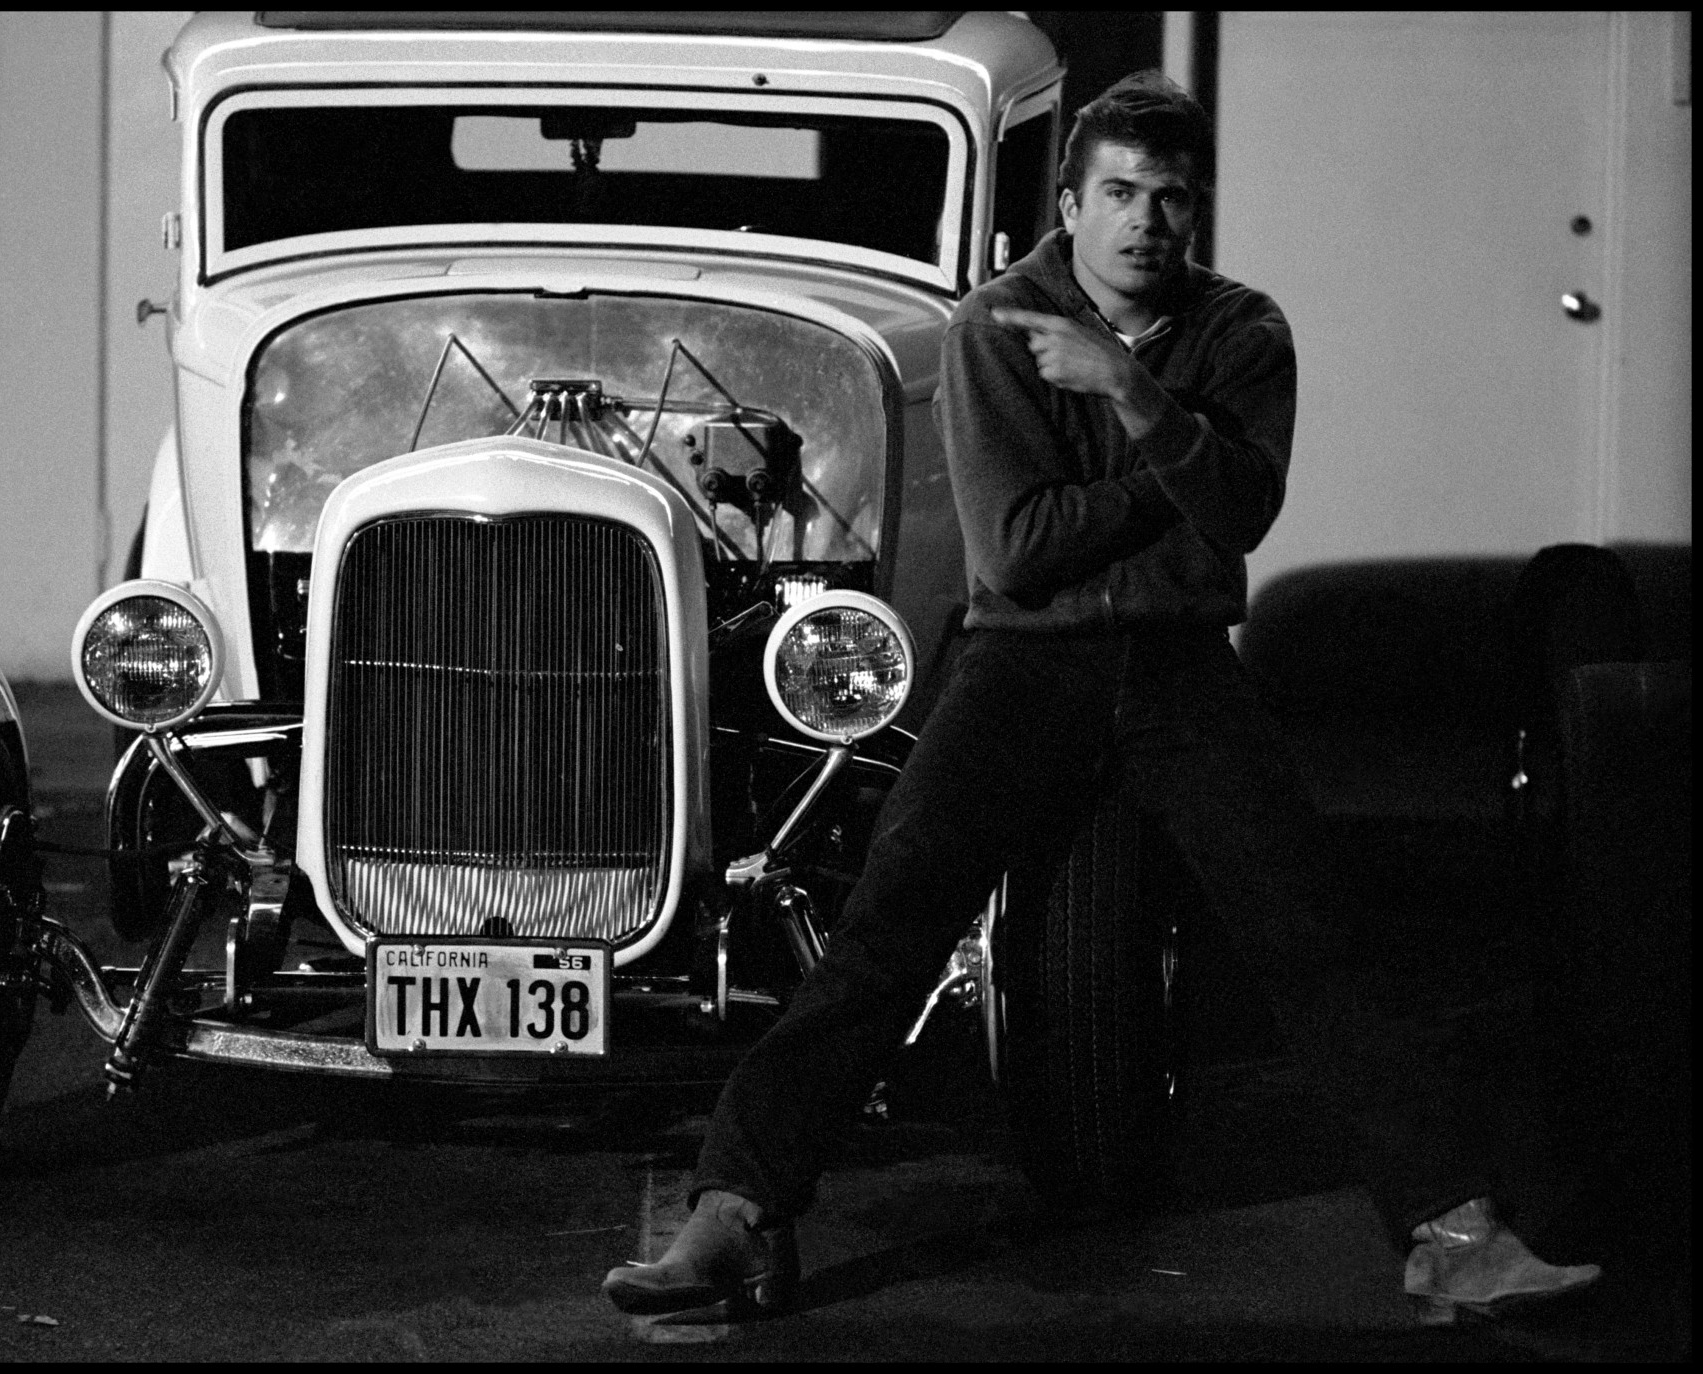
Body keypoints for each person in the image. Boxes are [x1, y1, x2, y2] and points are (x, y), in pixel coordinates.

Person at [602, 71, 1600, 1325]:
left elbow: (1239, 513)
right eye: (1118, 193)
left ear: (1196, 211)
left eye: (1169, 198)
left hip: (1178, 664)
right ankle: (736, 1216)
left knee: (1317, 937)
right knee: (883, 932)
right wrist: (1176, 465)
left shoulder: (1242, 331)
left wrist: (1128, 394)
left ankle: (1453, 1234)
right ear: (1069, 206)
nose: (1144, 221)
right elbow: (1018, 550)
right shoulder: (994, 328)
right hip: (1026, 662)